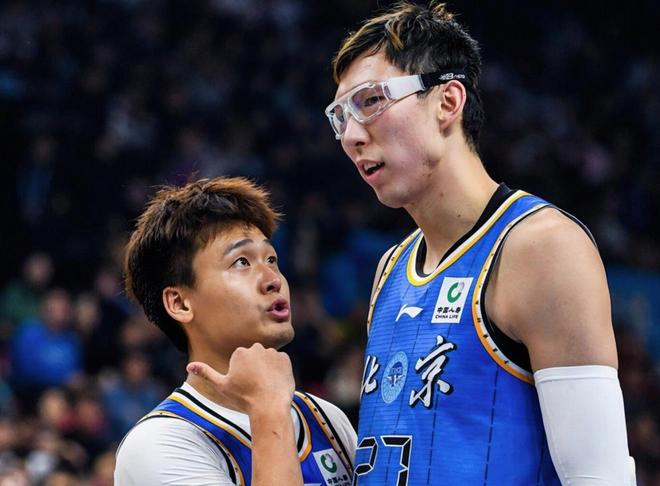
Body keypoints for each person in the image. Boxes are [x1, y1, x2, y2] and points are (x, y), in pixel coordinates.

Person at [325, 2, 634, 485]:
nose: (350, 136)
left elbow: (600, 476)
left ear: (448, 102)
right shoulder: (391, 267)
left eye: (369, 102)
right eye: (339, 116)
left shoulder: (542, 248)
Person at [114, 177, 355, 485]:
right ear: (180, 303)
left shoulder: (326, 418)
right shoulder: (158, 443)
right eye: (242, 262)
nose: (273, 279)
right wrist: (268, 407)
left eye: (272, 259)